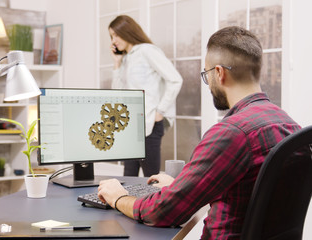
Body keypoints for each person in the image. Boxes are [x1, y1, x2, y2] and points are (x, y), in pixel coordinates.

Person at [98, 26, 301, 239]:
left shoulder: (231, 133)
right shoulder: (288, 125)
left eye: (206, 74)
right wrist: (179, 186)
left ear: (219, 73)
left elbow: (162, 212)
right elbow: (247, 186)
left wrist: (118, 198)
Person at [108, 15, 183, 177]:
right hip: (131, 125)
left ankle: (154, 204)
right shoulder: (127, 58)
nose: (113, 40)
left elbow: (175, 79)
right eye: (111, 36)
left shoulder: (147, 51)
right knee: (128, 177)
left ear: (127, 32)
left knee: (151, 178)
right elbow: (117, 92)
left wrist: (160, 112)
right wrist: (117, 63)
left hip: (150, 123)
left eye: (116, 35)